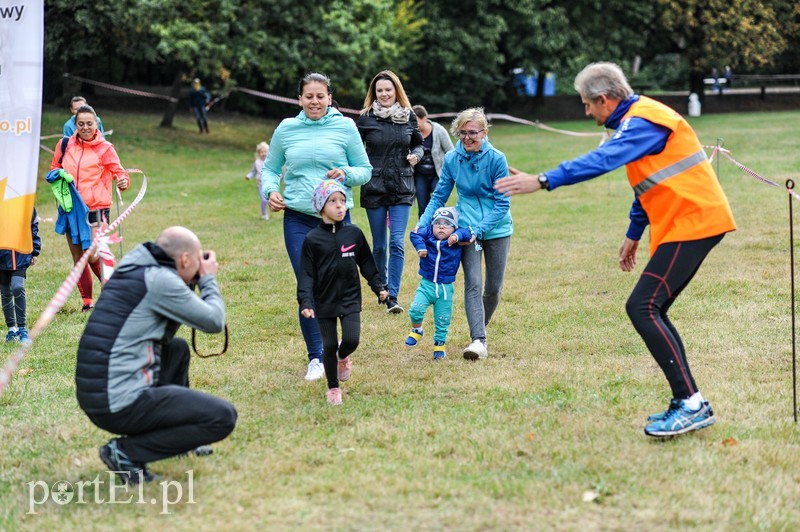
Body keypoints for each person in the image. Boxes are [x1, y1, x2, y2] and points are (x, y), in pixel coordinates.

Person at [495, 62, 736, 438]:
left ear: (604, 100)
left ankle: (691, 404)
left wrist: (543, 180)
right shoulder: (633, 121)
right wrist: (634, 232)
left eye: (587, 105)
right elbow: (648, 178)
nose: (586, 112)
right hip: (683, 223)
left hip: (695, 222)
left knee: (643, 306)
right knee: (651, 308)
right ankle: (688, 401)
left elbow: (604, 160)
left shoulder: (644, 120)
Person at [75, 226, 237, 484]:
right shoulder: (160, 280)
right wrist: (207, 280)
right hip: (118, 402)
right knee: (222, 417)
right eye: (196, 262)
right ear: (184, 259)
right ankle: (125, 453)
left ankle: (179, 439)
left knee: (177, 349)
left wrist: (191, 280)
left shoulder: (135, 264)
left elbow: (164, 333)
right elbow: (214, 321)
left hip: (98, 393)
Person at [262, 72, 372, 381]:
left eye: (320, 96)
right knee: (307, 285)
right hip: (298, 218)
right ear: (299, 99)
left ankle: (340, 352)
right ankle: (317, 356)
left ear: (329, 98)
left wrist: (346, 173)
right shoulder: (286, 129)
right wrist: (270, 191)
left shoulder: (345, 127)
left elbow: (364, 171)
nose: (314, 101)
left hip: (337, 219)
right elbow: (270, 169)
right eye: (308, 96)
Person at [418, 107, 513, 361]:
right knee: (473, 283)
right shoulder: (452, 159)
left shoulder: (496, 159)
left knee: (493, 289)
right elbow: (439, 195)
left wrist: (478, 229)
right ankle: (478, 340)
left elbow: (503, 204)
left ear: (484, 132)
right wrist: (423, 222)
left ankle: (480, 328)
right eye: (463, 133)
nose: (468, 138)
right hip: (465, 231)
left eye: (473, 133)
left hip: (497, 228)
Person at [298, 181, 388, 405]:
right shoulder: (312, 240)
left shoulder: (354, 234)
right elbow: (307, 274)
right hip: (324, 300)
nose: (340, 206)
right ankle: (333, 388)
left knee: (351, 340)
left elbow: (366, 262)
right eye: (333, 201)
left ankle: (343, 356)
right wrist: (306, 301)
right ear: (320, 207)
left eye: (343, 201)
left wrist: (378, 286)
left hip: (349, 297)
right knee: (328, 345)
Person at [357, 70, 424, 314]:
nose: (384, 94)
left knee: (396, 242)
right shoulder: (365, 118)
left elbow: (418, 144)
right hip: (374, 187)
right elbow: (353, 147)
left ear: (396, 91)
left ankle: (393, 296)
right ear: (374, 94)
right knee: (379, 246)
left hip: (402, 186)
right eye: (380, 91)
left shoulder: (409, 117)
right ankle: (381, 287)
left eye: (388, 89)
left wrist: (416, 155)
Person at [50, 104, 130, 312]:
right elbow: (54, 168)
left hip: (96, 209)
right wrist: (58, 176)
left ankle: (110, 291)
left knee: (93, 254)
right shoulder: (65, 144)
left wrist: (122, 181)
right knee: (78, 257)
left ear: (96, 124)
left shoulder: (105, 148)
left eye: (89, 123)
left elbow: (120, 173)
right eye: (81, 124)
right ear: (75, 125)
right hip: (70, 209)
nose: (85, 127)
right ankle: (87, 302)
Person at [406, 207, 472, 360]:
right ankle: (417, 331)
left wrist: (456, 236)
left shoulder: (456, 239)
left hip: (445, 288)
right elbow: (414, 234)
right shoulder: (428, 233)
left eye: (447, 224)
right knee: (416, 309)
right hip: (426, 284)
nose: (441, 226)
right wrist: (420, 247)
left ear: (454, 227)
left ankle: (439, 345)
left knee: (443, 318)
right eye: (438, 223)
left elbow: (467, 232)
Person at [1, 209, 40, 345]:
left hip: (20, 255)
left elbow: (33, 224)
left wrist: (35, 250)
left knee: (18, 287)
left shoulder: (22, 198)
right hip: (2, 257)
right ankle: (12, 329)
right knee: (5, 293)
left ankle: (22, 328)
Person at [412, 105, 455, 219]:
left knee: (438, 204)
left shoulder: (439, 131)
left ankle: (441, 228)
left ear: (424, 118)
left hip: (438, 174)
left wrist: (450, 172)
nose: (413, 125)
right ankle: (423, 233)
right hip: (420, 175)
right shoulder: (412, 133)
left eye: (416, 121)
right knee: (423, 207)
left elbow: (450, 152)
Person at [245, 141, 270, 220]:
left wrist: (281, 177)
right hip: (261, 185)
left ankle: (272, 207)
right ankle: (264, 214)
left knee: (270, 200)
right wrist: (249, 176)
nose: (264, 154)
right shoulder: (257, 162)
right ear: (259, 153)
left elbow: (275, 171)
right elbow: (253, 172)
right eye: (262, 152)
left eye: (265, 152)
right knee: (263, 200)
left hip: (270, 185)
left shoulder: (270, 162)